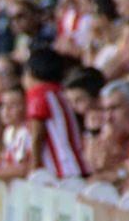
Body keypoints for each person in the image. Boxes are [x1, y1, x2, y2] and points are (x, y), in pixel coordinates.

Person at [24, 48, 89, 178]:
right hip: (78, 164)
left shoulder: (38, 93)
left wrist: (34, 169)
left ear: (30, 73)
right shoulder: (60, 92)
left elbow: (37, 135)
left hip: (61, 169)